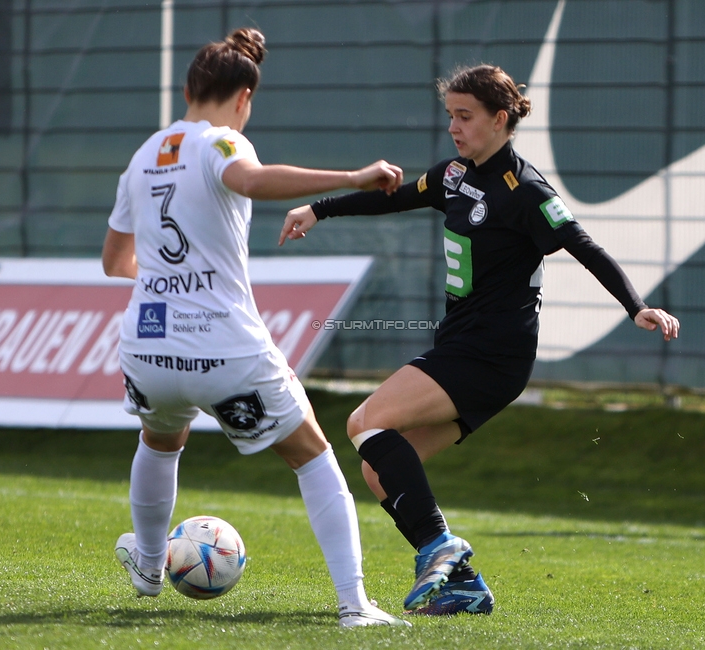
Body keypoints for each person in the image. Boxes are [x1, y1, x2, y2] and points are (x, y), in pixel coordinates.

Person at [279, 64, 680, 615]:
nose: (455, 127)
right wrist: (320, 208)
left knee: (365, 421)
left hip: (494, 352)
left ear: (500, 119)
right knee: (381, 465)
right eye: (450, 116)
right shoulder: (453, 176)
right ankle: (464, 583)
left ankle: (441, 547)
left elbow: (585, 246)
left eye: (465, 117)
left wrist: (636, 307)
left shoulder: (526, 190)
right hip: (463, 346)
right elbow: (395, 199)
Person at [101, 28, 411, 627]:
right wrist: (351, 176)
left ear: (188, 88)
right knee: (314, 454)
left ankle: (146, 564)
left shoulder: (142, 157)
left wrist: (169, 275)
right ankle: (354, 605)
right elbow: (252, 180)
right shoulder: (222, 143)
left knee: (160, 439)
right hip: (222, 347)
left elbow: (116, 263)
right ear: (244, 98)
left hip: (147, 346)